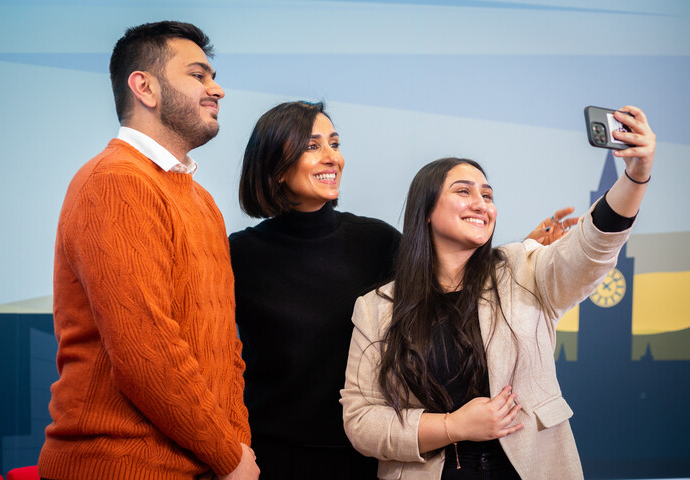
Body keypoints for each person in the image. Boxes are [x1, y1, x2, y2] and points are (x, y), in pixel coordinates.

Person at [229, 101, 578, 479]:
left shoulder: (375, 240)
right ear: (274, 165)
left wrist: (518, 258)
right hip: (275, 456)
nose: (332, 158)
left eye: (335, 143)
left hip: (377, 456)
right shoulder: (238, 255)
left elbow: (447, 279)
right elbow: (216, 362)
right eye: (312, 146)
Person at [341, 106, 655, 480]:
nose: (481, 203)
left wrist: (637, 176)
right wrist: (453, 426)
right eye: (463, 191)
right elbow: (362, 420)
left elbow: (591, 248)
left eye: (488, 195)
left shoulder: (524, 268)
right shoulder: (376, 308)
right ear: (425, 211)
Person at [38, 21, 259, 480]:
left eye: (212, 76)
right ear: (145, 87)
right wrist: (230, 456)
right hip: (120, 467)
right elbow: (147, 354)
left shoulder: (201, 201)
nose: (217, 89)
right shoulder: (115, 182)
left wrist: (236, 448)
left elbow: (225, 350)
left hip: (207, 464)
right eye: (198, 75)